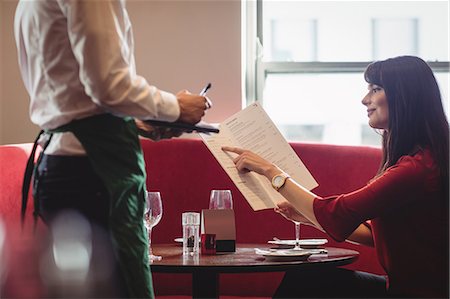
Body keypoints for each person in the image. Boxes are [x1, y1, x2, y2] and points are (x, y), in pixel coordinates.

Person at [14, 1, 210, 298]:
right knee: (124, 287)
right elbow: (108, 85)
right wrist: (175, 107)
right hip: (94, 171)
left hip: (57, 160)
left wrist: (138, 125)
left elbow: (71, 98)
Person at [223, 56, 449, 298]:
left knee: (308, 281)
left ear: (404, 97)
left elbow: (340, 214)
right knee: (308, 278)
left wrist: (271, 171)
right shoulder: (421, 160)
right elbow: (373, 234)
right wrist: (310, 218)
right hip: (398, 287)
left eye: (375, 89)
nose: (365, 100)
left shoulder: (416, 169)